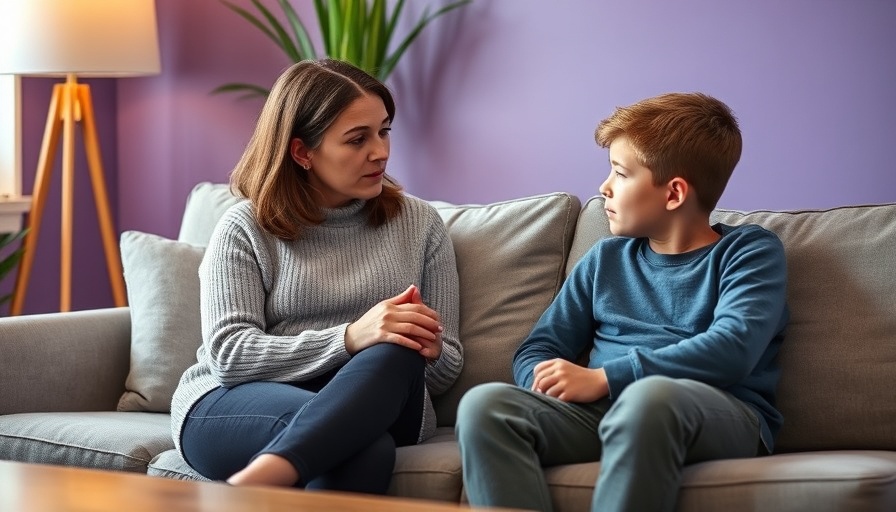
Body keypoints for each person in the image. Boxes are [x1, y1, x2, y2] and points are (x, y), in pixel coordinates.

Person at [455, 92, 789, 511]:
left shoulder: (749, 251)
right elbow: (540, 346)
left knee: (649, 400)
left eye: (620, 173)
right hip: (605, 411)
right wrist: (545, 386)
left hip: (715, 413)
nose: (604, 187)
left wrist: (605, 378)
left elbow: (734, 347)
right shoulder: (606, 258)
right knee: (485, 406)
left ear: (674, 194)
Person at [170, 59, 463, 494]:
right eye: (357, 139)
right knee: (365, 448)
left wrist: (431, 349)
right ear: (302, 152)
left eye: (384, 131)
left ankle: (258, 483)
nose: (380, 151)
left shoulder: (420, 224)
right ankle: (277, 469)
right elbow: (229, 356)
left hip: (378, 403)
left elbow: (444, 370)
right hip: (237, 401)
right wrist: (349, 337)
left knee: (395, 350)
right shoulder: (245, 227)